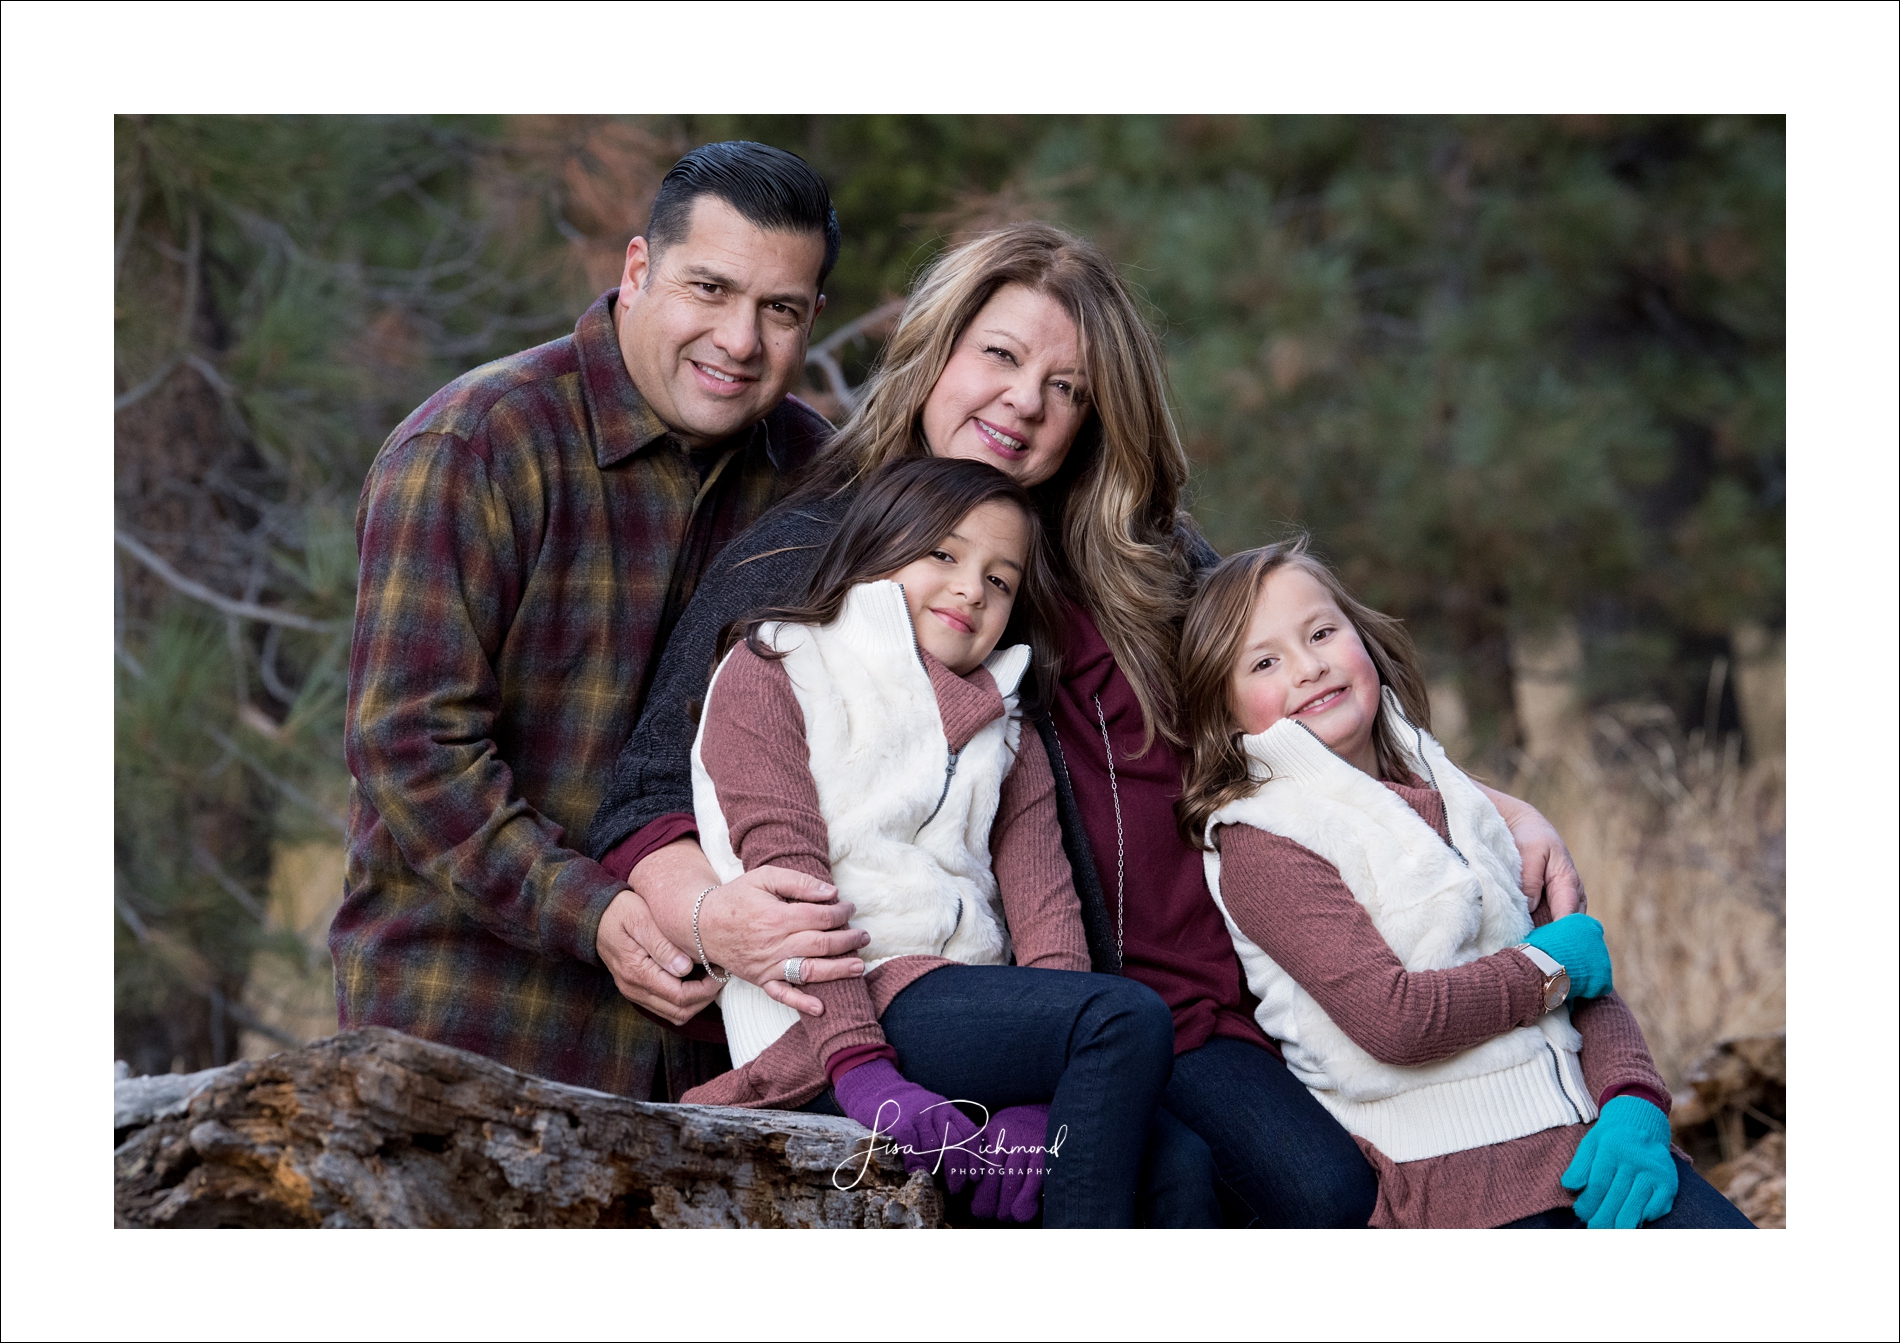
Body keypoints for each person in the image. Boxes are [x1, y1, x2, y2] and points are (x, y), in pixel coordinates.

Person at [588, 221, 1590, 1226]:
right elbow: (654, 793)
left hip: (1252, 978)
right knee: (1296, 1190)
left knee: (1367, 1187)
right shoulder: (814, 552)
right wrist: (697, 911)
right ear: (938, 350)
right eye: (999, 355)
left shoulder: (1148, 556)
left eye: (1066, 387)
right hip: (1019, 1003)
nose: (1024, 402)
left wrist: (1478, 801)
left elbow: (1295, 691)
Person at [331, 141, 872, 1100]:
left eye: (779, 309)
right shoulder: (475, 446)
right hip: (473, 1023)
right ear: (636, 271)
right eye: (708, 288)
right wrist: (598, 913)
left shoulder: (821, 482)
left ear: (812, 318)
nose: (740, 341)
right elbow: (411, 748)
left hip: (721, 1049)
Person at [1173, 539, 1754, 1228]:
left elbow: (1583, 972)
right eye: (1265, 661)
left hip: (1597, 1137)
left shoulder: (1453, 789)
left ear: (1361, 634)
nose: (1310, 666)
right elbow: (1395, 1019)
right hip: (1463, 1181)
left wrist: (1634, 1100)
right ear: (1225, 707)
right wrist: (1551, 965)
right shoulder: (1264, 840)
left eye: (1322, 632)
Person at [680, 455, 1176, 1225]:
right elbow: (794, 889)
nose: (971, 587)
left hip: (964, 1017)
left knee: (1179, 1159)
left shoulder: (1009, 733)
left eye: (1001, 579)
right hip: (833, 1024)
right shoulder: (777, 667)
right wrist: (865, 1073)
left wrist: (1040, 1108)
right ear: (879, 545)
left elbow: (1049, 924)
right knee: (1123, 1019)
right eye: (943, 554)